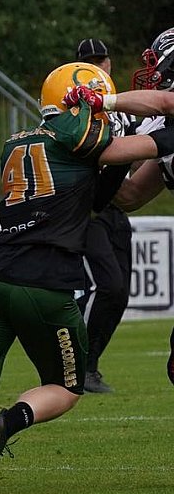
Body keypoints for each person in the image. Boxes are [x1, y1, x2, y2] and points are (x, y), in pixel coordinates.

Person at [0, 63, 174, 494]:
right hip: (46, 280)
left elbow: (100, 195)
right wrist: (131, 121)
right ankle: (6, 422)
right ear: (83, 99)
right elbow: (152, 143)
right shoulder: (79, 138)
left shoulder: (17, 141)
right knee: (66, 387)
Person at [103, 25, 174, 388]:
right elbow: (130, 196)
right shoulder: (165, 125)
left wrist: (104, 101)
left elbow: (165, 102)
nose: (152, 73)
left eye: (156, 63)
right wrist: (91, 157)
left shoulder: (167, 107)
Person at [71, 38, 133, 394]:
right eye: (89, 62)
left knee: (119, 292)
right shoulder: (72, 108)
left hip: (117, 206)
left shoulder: (125, 107)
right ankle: (73, 365)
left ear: (109, 64)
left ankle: (90, 367)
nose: (97, 67)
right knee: (106, 284)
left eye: (101, 60)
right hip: (88, 209)